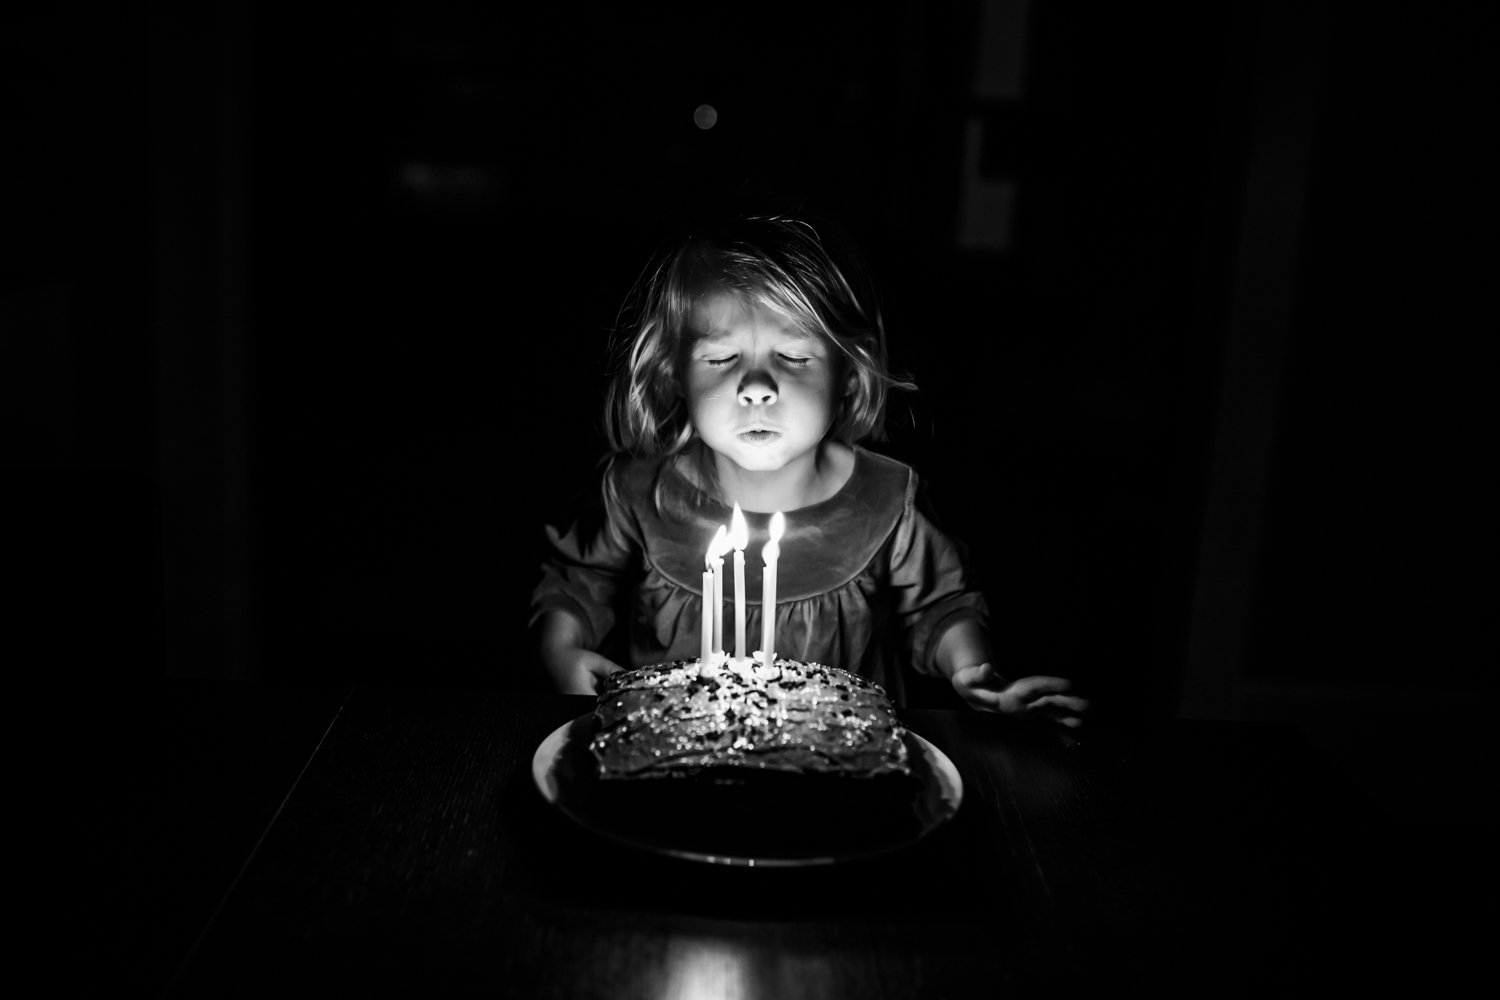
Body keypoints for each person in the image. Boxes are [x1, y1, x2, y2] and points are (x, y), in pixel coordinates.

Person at [529, 215, 1088, 727]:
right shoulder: (639, 490)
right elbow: (579, 583)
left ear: (849, 372)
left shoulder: (888, 498)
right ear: (675, 374)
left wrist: (972, 670)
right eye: (721, 359)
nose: (756, 387)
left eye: (794, 357)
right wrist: (562, 651)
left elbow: (942, 607)